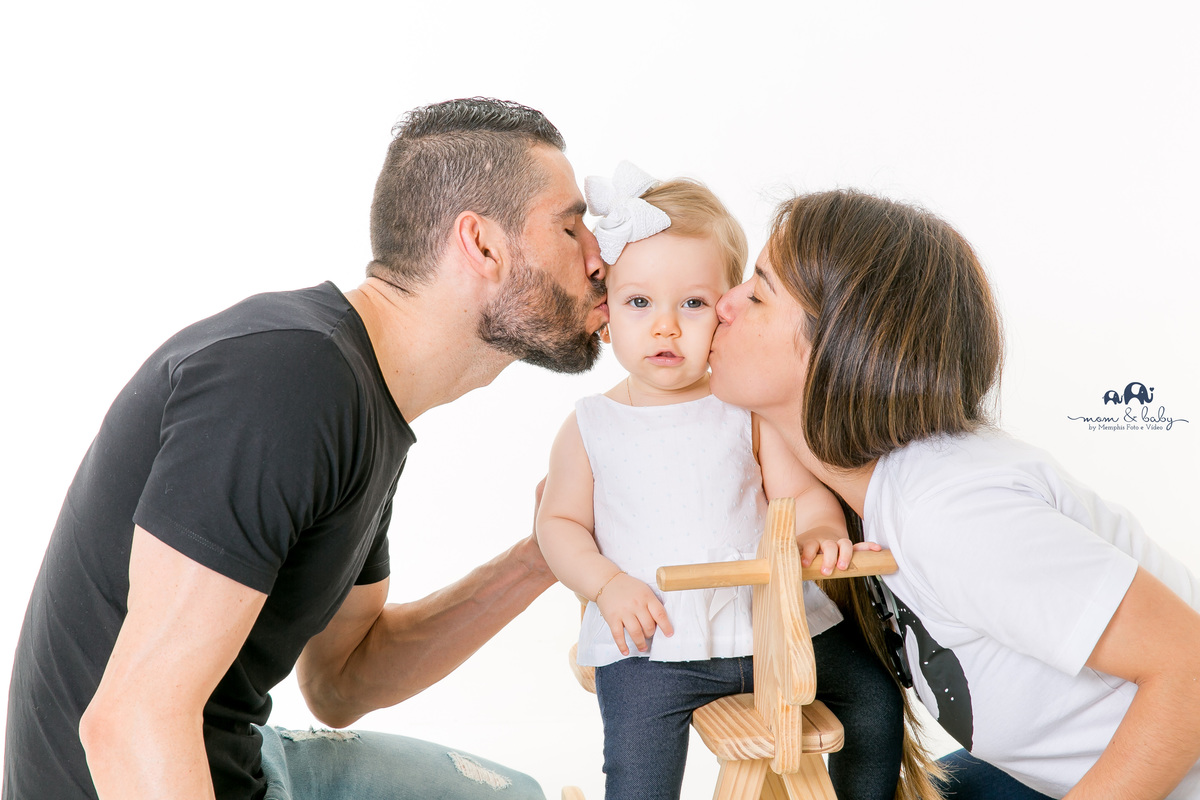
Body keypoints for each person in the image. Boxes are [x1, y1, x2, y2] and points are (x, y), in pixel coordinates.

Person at [3, 97, 610, 800]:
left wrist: (539, 558)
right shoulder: (291, 380)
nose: (600, 260)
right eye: (571, 228)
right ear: (480, 244)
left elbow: (342, 677)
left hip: (242, 757)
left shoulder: (361, 393)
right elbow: (130, 722)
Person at [708, 188, 1200, 799]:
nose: (722, 304)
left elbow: (1192, 669)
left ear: (842, 351)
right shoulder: (856, 501)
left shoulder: (949, 510)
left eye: (757, 294)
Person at [536, 165, 934, 800]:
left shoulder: (744, 409)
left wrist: (822, 533)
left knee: (875, 702)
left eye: (692, 304)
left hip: (771, 629)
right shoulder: (592, 426)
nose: (665, 326)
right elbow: (558, 526)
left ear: (725, 311)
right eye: (640, 302)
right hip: (653, 643)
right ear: (605, 314)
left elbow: (797, 495)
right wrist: (606, 585)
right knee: (637, 774)